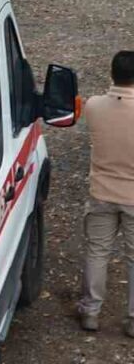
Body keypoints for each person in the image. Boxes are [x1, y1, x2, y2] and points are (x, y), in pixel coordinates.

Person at [76, 50, 134, 335]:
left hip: (102, 192)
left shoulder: (94, 106)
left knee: (97, 252)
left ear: (112, 74)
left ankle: (91, 311)